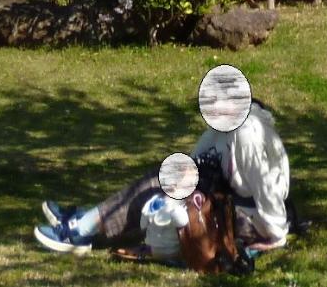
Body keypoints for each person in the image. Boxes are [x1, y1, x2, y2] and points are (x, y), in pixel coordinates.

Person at [34, 95, 291, 268]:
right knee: (163, 179)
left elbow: (267, 189)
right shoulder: (221, 129)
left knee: (162, 189)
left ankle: (82, 228)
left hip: (247, 217)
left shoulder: (247, 134)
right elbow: (192, 163)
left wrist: (275, 234)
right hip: (224, 203)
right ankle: (88, 221)